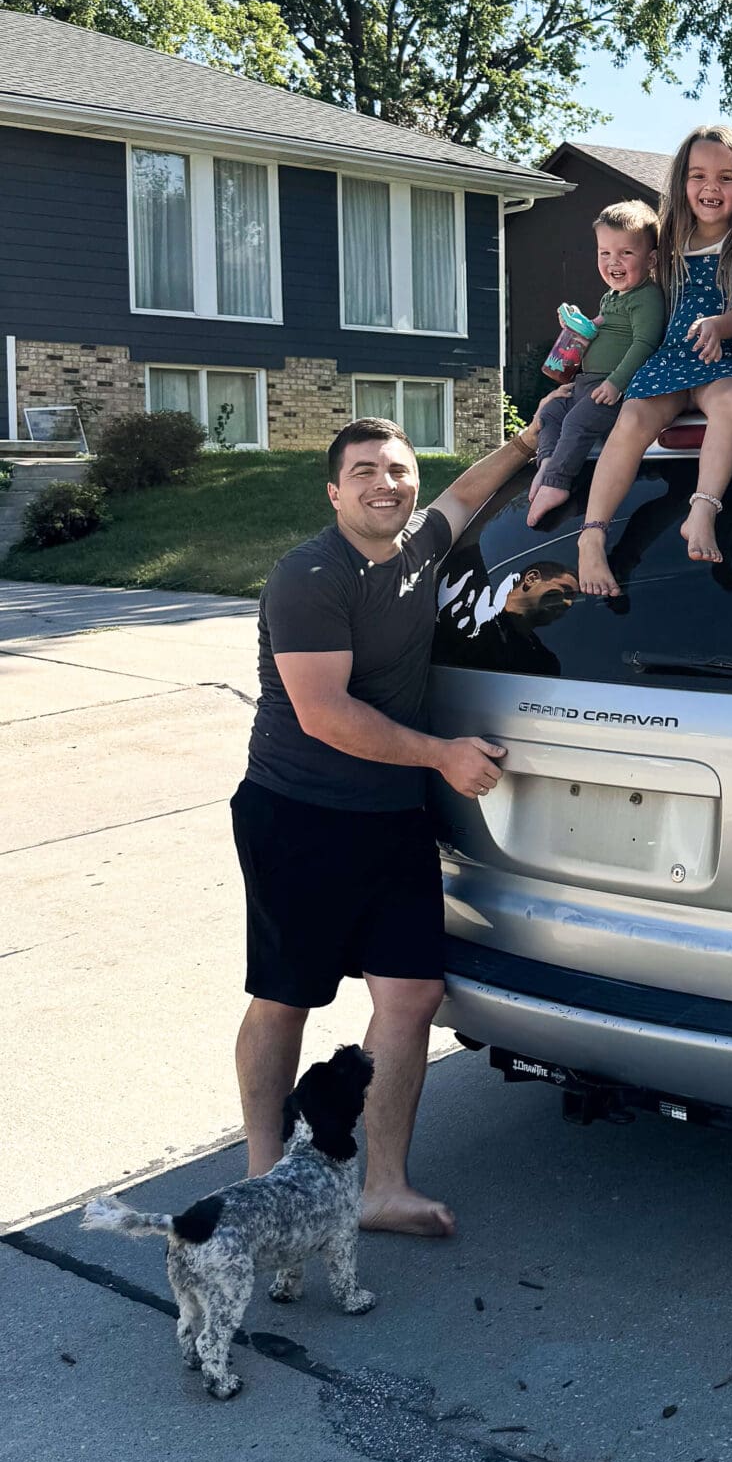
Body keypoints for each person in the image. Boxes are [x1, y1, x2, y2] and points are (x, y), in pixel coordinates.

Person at [230, 406, 546, 1238]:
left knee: (409, 995)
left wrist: (525, 442)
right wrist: (443, 755)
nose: (386, 483)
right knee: (284, 997)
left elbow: (466, 493)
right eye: (365, 470)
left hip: (390, 815)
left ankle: (383, 1186)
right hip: (299, 815)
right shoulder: (310, 575)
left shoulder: (418, 549)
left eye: (398, 469)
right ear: (334, 490)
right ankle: (265, 1179)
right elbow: (324, 713)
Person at [577, 124, 732, 591]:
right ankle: (592, 536)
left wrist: (719, 325)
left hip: (724, 354)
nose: (711, 188)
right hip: (670, 355)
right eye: (698, 176)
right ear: (682, 181)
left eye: (725, 178)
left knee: (730, 401)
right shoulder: (668, 238)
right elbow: (636, 302)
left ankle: (702, 508)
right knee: (633, 419)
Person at [527, 201, 666, 528]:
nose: (613, 262)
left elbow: (645, 343)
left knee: (576, 423)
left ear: (651, 259)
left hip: (614, 389)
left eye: (625, 253)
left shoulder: (646, 297)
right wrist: (580, 329)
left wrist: (616, 383)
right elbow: (603, 326)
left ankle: (557, 484)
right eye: (604, 253)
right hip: (588, 383)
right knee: (551, 413)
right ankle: (548, 463)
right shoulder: (611, 296)